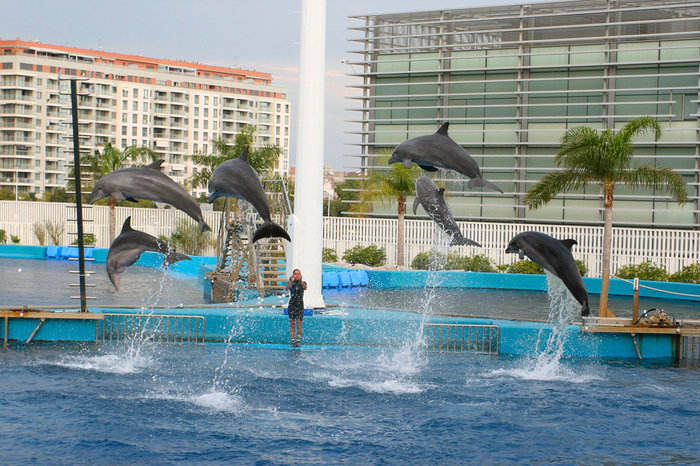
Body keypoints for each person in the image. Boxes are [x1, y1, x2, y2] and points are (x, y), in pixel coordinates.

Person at [285, 268, 307, 347]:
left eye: (298, 274)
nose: (297, 275)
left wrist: (300, 281)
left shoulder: (303, 283)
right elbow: (286, 288)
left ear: (300, 275)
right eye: (295, 274)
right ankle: (293, 340)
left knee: (299, 324)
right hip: (292, 304)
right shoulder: (291, 283)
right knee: (292, 324)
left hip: (300, 305)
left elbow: (305, 288)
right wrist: (291, 281)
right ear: (293, 275)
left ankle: (298, 340)